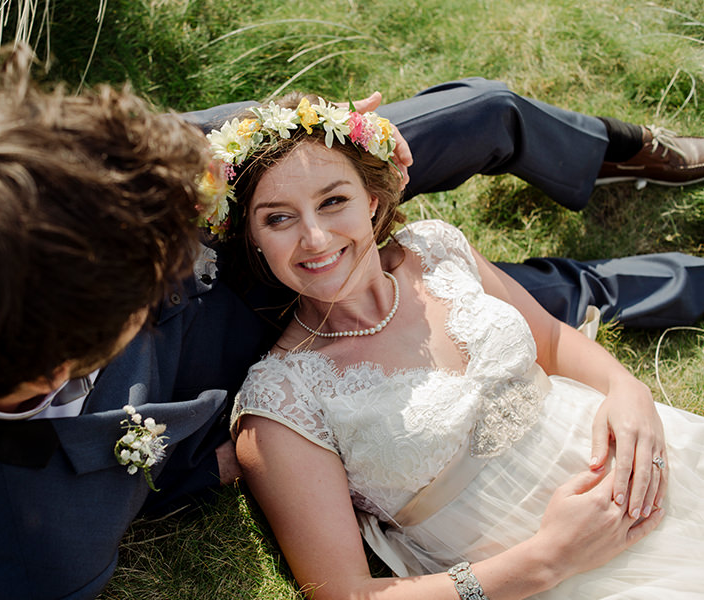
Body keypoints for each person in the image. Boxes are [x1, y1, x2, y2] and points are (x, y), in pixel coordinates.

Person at [0, 44, 704, 598]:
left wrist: (282, 167)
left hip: (221, 236)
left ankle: (626, 151)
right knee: (500, 303)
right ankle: (614, 288)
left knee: (471, 123)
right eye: (170, 254)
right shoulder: (25, 553)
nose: (209, 220)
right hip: (230, 364)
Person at [222, 93, 704, 599]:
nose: (316, 238)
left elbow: (553, 342)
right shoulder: (279, 403)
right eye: (279, 218)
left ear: (372, 199)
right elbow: (344, 594)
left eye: (333, 201)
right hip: (542, 573)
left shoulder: (436, 249)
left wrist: (628, 391)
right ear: (253, 236)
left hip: (646, 455)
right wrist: (548, 559)